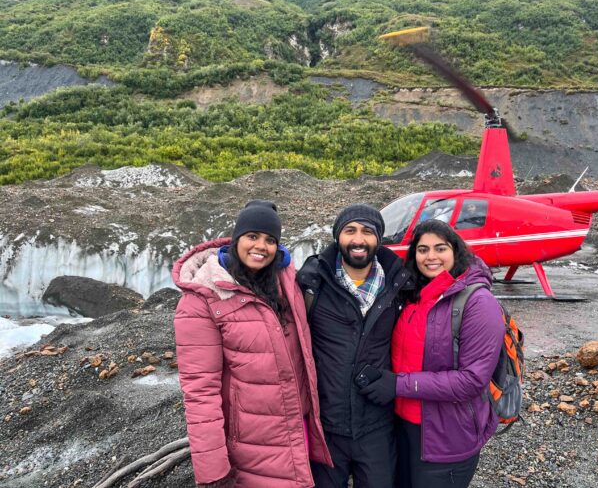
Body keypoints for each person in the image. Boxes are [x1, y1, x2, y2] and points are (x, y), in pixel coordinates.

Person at [172, 200, 332, 488]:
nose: (261, 246)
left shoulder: (284, 282)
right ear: (236, 239)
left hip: (298, 428)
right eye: (252, 236)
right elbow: (200, 390)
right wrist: (212, 469)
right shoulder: (201, 300)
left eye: (271, 240)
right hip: (250, 443)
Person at [296, 204, 413, 488]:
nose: (358, 239)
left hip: (377, 424)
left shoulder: (401, 284)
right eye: (350, 231)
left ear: (379, 239)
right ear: (338, 237)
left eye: (368, 231)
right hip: (327, 427)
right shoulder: (312, 283)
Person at [385, 219, 505, 488]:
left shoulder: (477, 302)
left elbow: (472, 380)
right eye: (423, 249)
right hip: (405, 428)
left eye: (440, 248)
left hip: (447, 437)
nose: (431, 257)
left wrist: (397, 384)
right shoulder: (414, 297)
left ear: (455, 251)